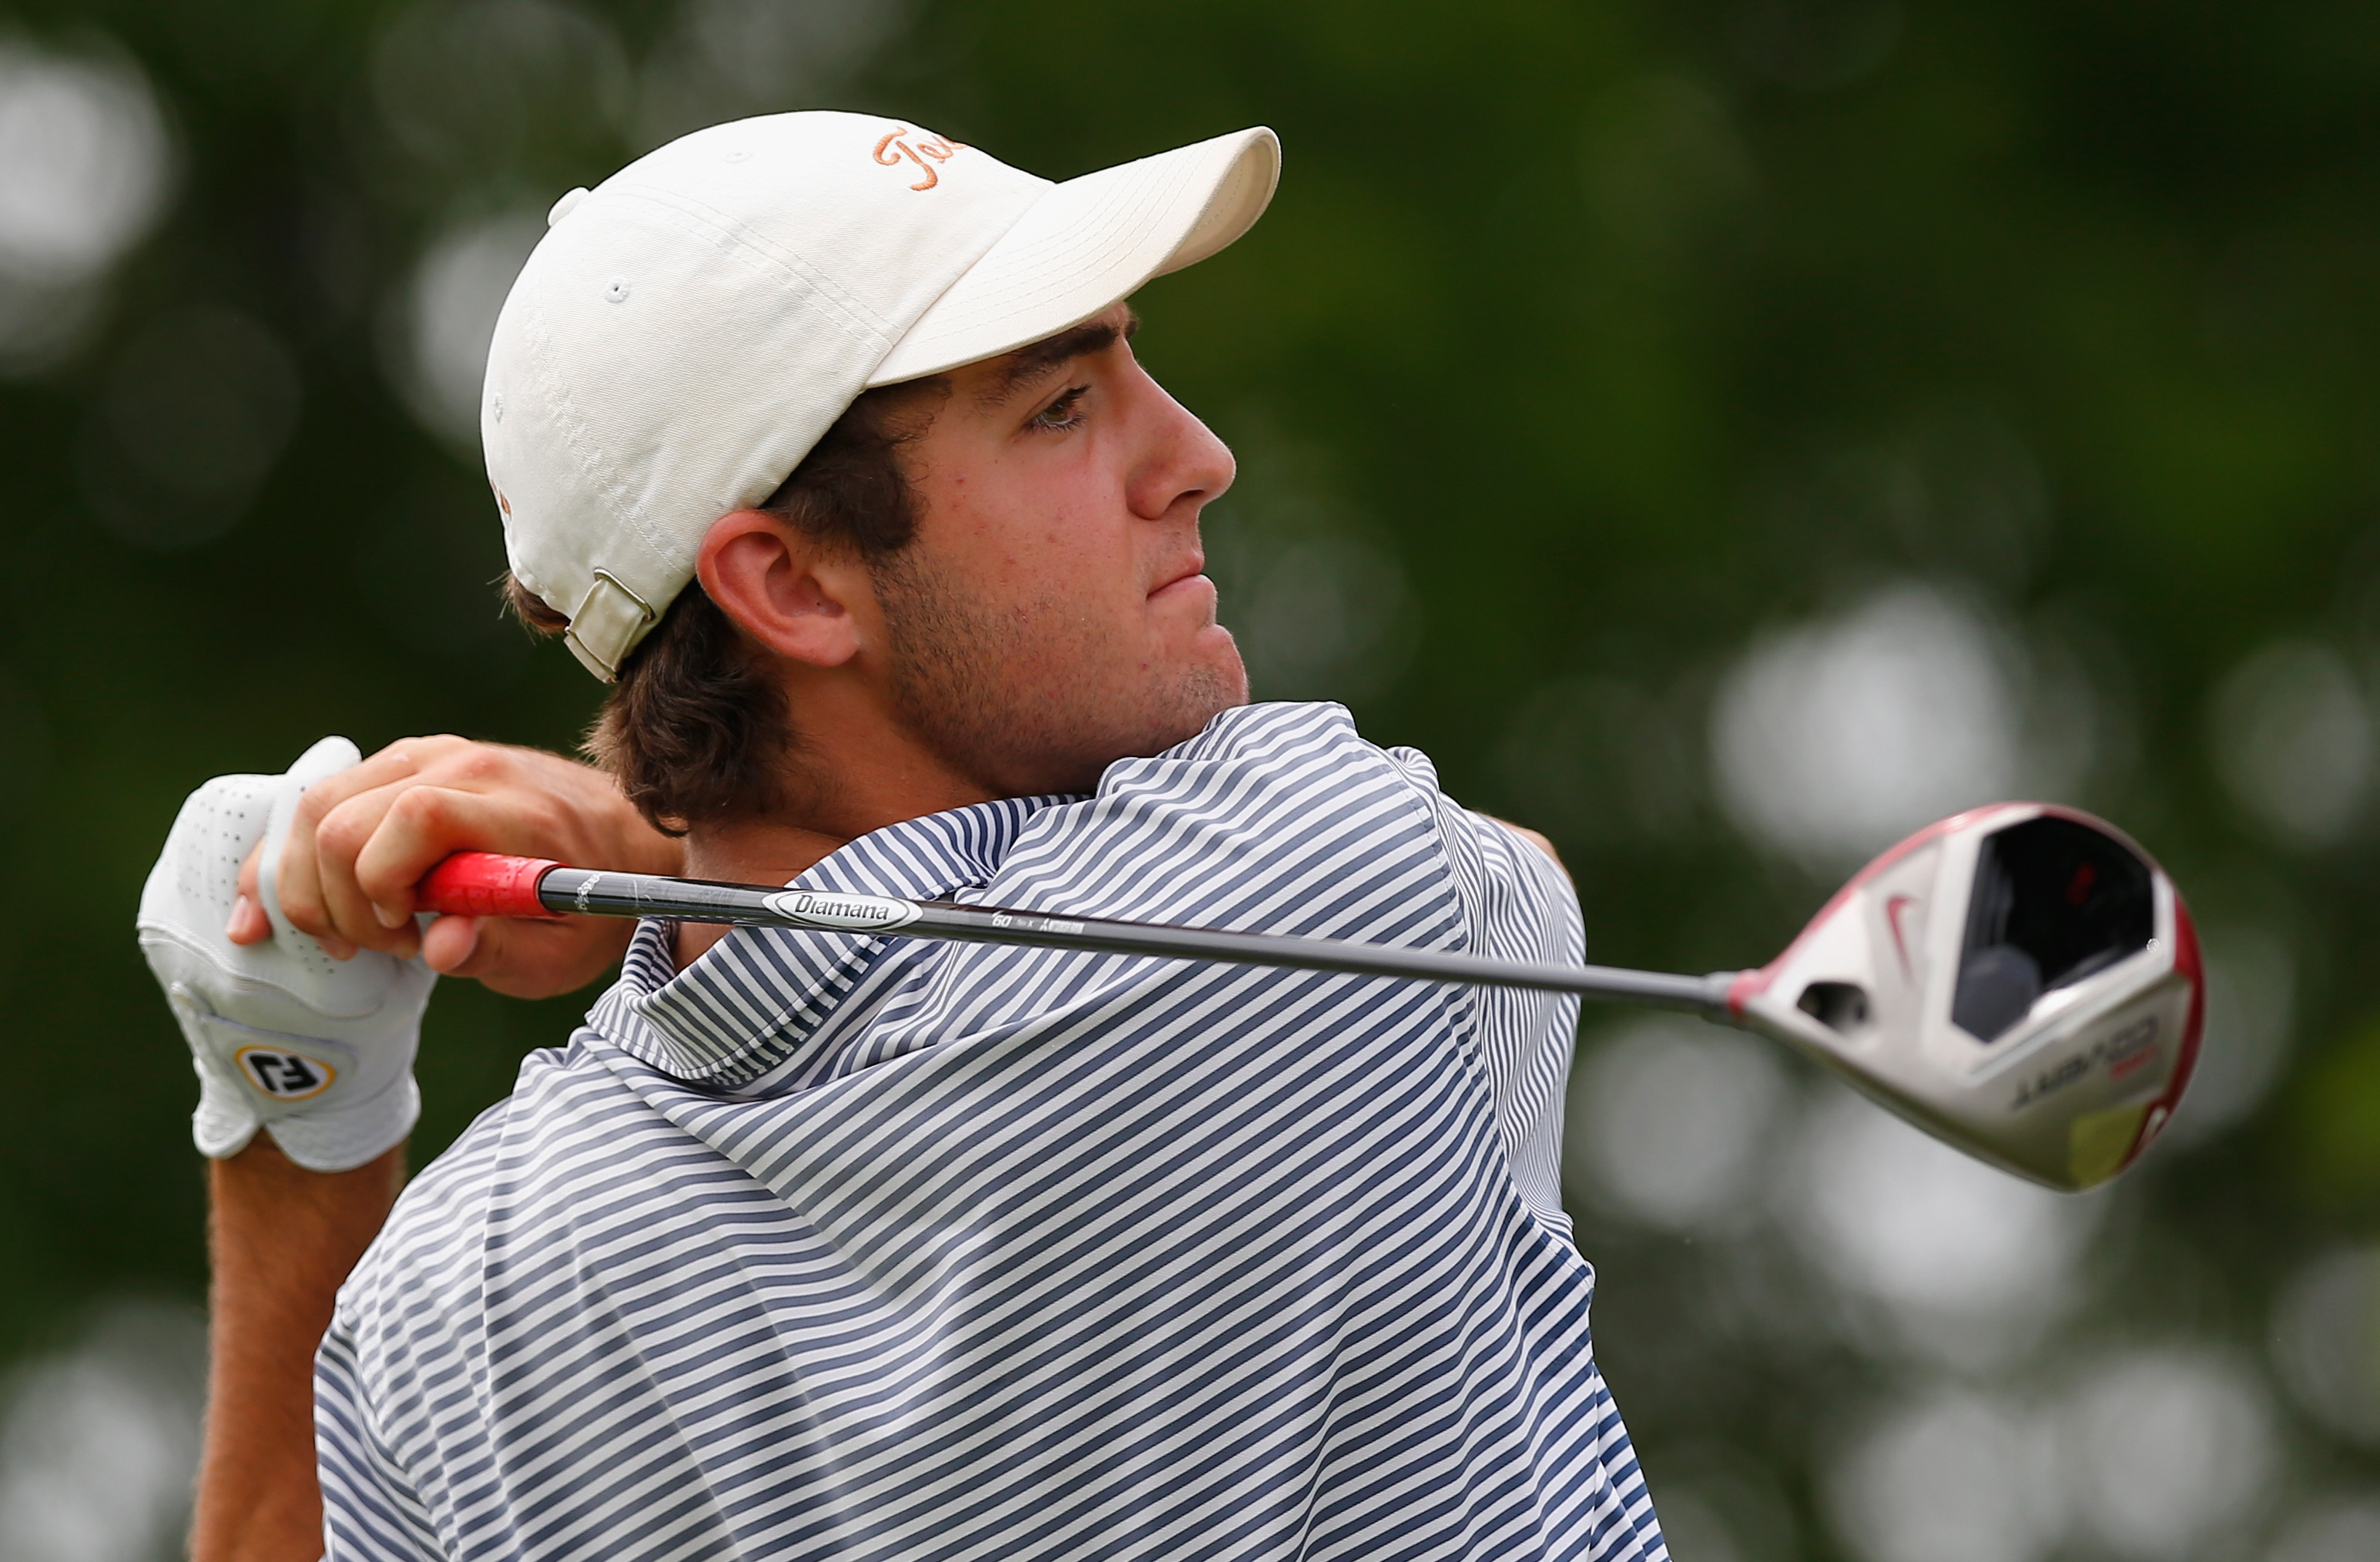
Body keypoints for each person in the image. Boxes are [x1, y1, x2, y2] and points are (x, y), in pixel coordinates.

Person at [138, 111, 1669, 1562]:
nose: (1194, 454)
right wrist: (637, 858)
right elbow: (1519, 885)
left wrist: (297, 1109)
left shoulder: (459, 1304)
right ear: (791, 584)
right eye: (1063, 406)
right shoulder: (1310, 892)